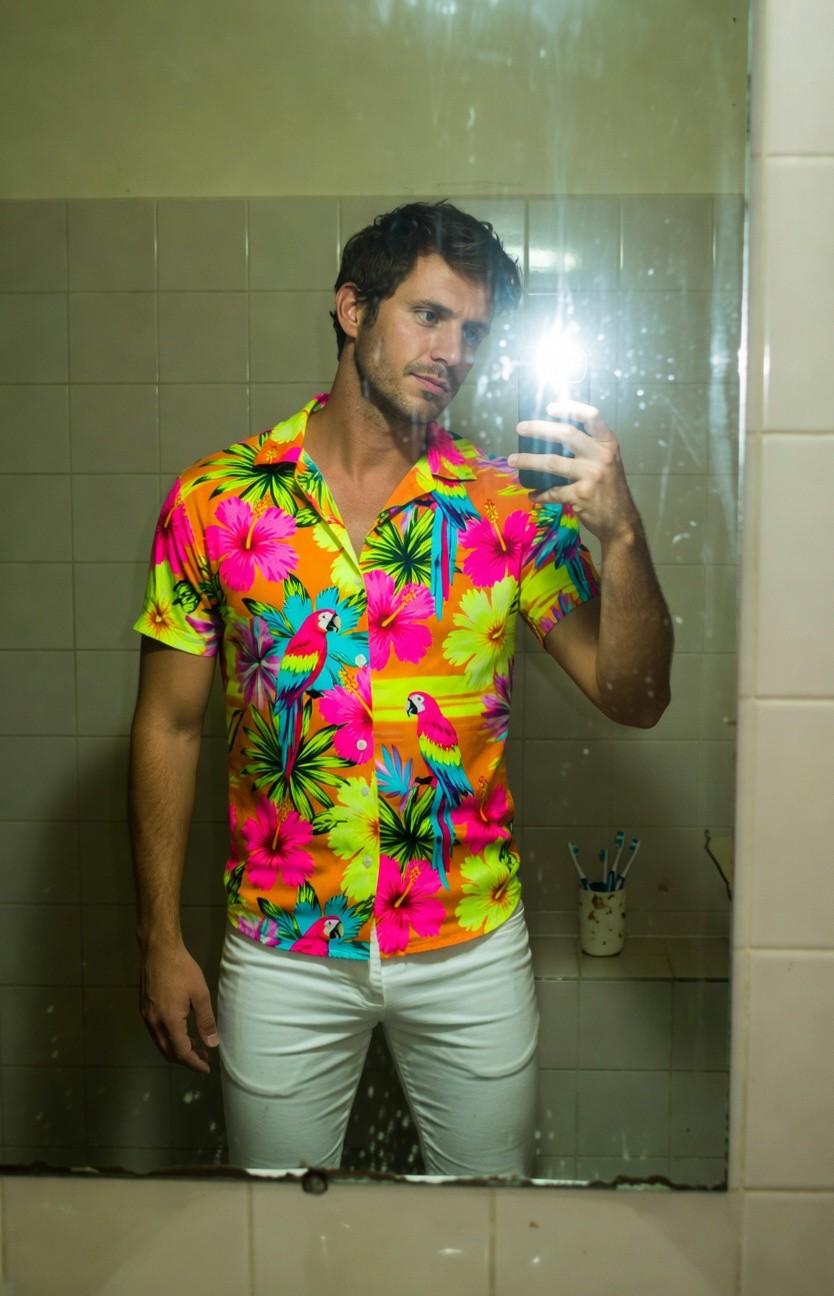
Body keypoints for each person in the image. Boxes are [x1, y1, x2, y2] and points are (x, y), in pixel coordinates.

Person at [129, 201, 672, 1177]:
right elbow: (169, 724)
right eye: (429, 316)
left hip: (469, 944)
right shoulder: (220, 500)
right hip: (282, 946)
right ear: (351, 307)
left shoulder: (510, 506)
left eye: (474, 331)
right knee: (272, 1241)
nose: (452, 351)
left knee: (490, 1233)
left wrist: (624, 536)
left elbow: (634, 696)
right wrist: (161, 938)